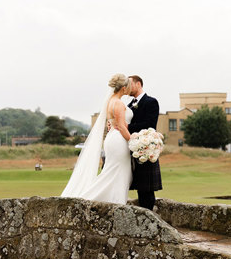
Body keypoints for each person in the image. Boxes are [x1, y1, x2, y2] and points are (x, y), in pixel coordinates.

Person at [61, 74, 133, 204]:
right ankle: (101, 200)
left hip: (113, 137)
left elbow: (115, 123)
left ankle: (114, 201)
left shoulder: (110, 101)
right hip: (119, 139)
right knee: (118, 172)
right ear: (123, 88)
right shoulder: (118, 103)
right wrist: (133, 140)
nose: (130, 88)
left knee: (114, 171)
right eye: (128, 86)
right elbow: (122, 127)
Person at [127, 75, 163, 210]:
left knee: (146, 189)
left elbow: (150, 125)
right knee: (139, 187)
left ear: (138, 84)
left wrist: (126, 126)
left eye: (129, 84)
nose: (127, 87)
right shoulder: (129, 105)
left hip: (146, 149)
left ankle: (150, 219)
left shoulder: (151, 102)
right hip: (133, 149)